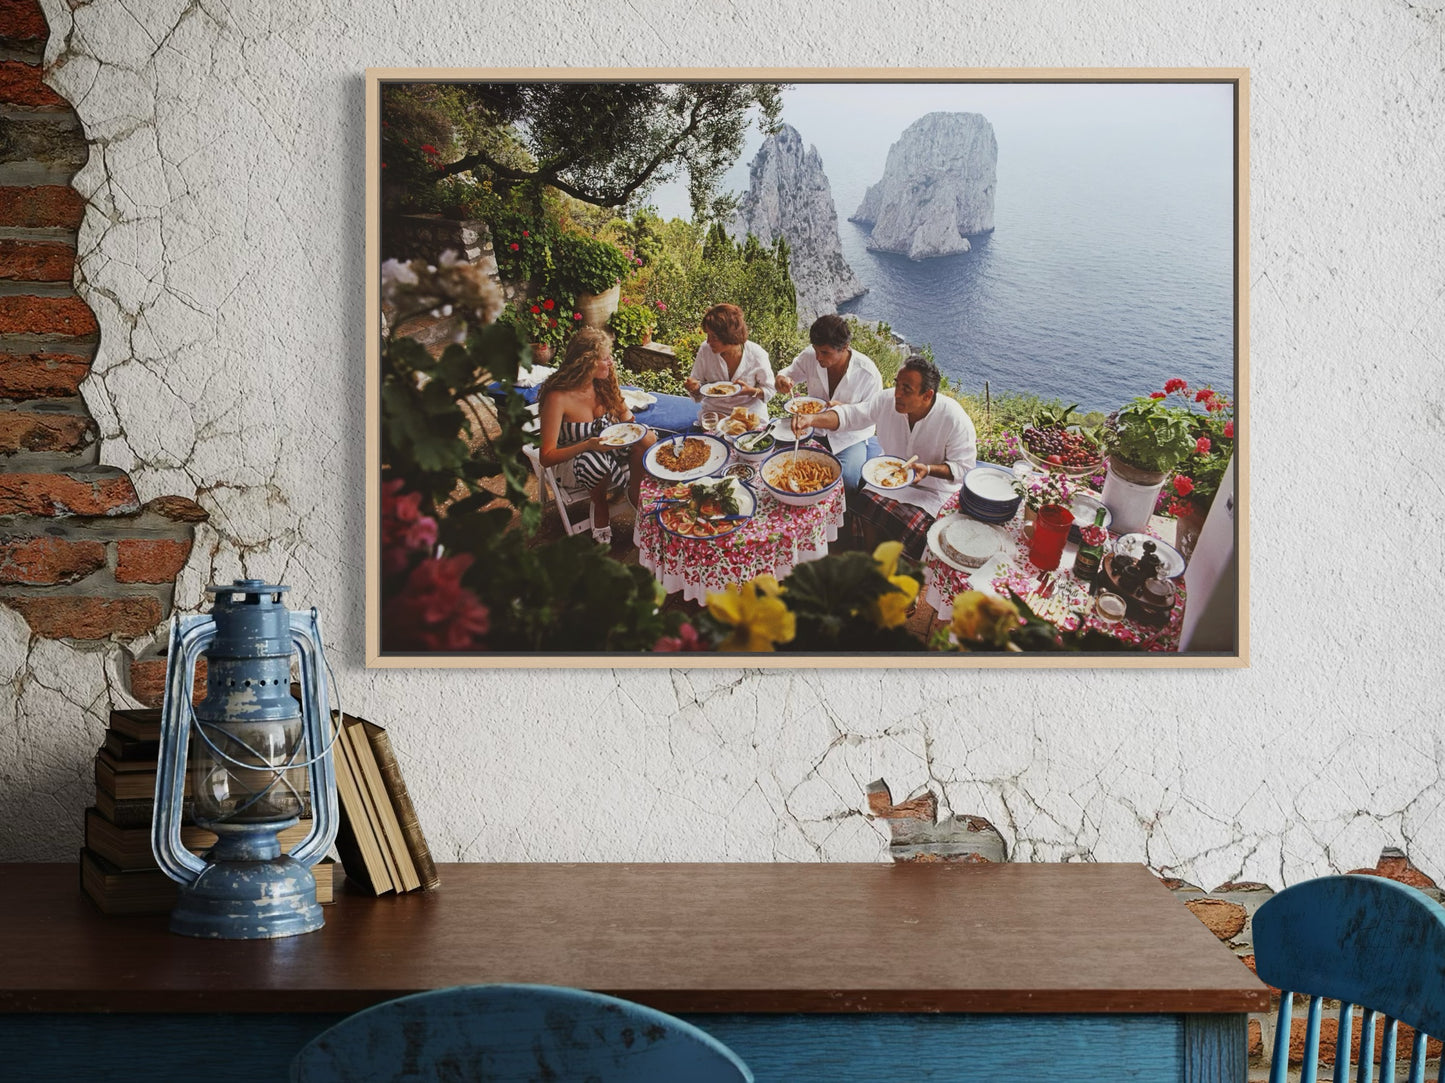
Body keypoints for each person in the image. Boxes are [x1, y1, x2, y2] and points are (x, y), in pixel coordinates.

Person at [791, 355, 976, 561]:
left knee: (915, 528)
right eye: (897, 385)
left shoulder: (954, 419)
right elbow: (851, 415)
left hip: (933, 492)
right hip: (887, 477)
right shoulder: (886, 400)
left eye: (907, 390)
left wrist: (929, 469)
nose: (897, 394)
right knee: (863, 503)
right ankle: (871, 559)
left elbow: (964, 468)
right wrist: (811, 419)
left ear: (927, 395)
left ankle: (902, 568)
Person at [537, 327, 656, 545]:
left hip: (605, 448)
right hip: (571, 460)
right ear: (587, 361)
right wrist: (587, 445)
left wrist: (634, 429)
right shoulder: (558, 398)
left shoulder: (603, 383)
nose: (611, 362)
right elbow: (546, 456)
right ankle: (600, 506)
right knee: (595, 460)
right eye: (606, 358)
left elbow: (626, 417)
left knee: (648, 439)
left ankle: (635, 494)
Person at [775, 314, 883, 492]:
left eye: (825, 352)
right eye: (816, 350)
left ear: (845, 347)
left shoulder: (868, 374)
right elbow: (789, 373)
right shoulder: (810, 356)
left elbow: (870, 415)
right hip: (813, 431)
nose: (818, 357)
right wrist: (782, 379)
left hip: (849, 437)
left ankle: (839, 517)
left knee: (846, 480)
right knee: (787, 467)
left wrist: (843, 412)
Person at [682, 303, 775, 425]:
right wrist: (694, 388)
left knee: (744, 439)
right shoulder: (705, 350)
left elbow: (770, 390)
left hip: (748, 415)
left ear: (730, 336)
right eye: (707, 335)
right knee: (714, 439)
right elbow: (698, 387)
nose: (708, 341)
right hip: (715, 413)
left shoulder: (757, 354)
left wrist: (750, 391)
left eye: (714, 337)